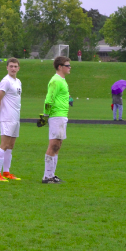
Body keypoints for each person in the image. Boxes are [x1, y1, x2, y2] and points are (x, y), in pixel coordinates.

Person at [37, 56, 71, 184]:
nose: (69, 68)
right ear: (60, 67)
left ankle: (51, 174)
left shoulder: (62, 80)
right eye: (67, 65)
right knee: (54, 144)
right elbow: (48, 99)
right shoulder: (56, 80)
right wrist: (45, 116)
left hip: (62, 115)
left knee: (58, 145)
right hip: (56, 115)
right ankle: (47, 176)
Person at [0, 58, 22, 182]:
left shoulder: (18, 81)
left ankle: (6, 172)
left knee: (11, 145)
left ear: (18, 68)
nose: (13, 68)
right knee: (4, 145)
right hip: (7, 117)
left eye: (15, 66)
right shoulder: (6, 81)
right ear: (7, 67)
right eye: (11, 66)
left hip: (15, 117)